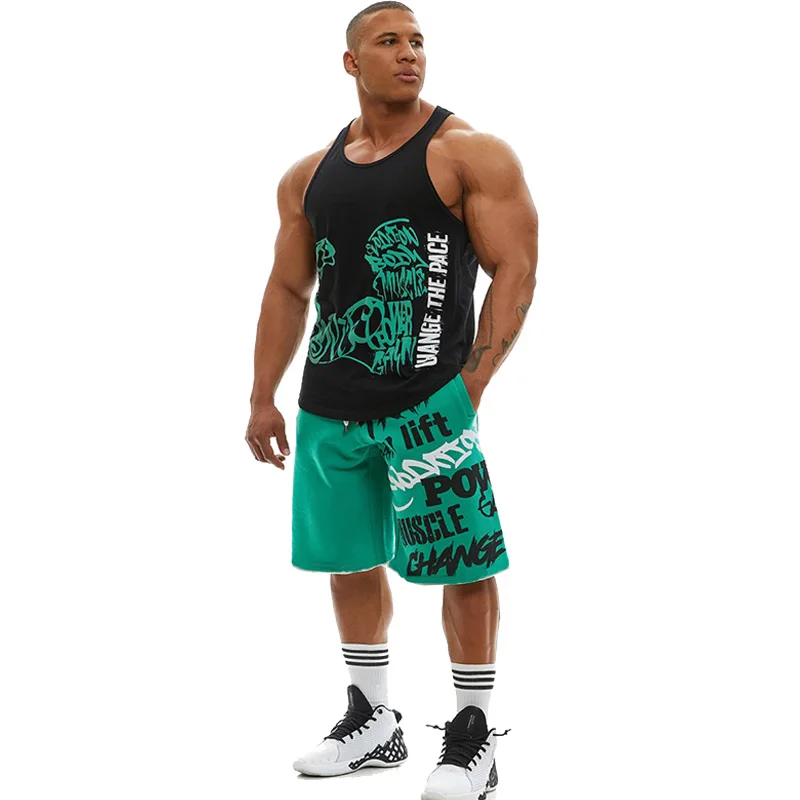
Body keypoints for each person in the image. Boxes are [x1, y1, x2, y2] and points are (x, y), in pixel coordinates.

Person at [245, 2, 538, 797]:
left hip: (427, 406)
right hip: (328, 407)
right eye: (389, 41)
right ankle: (374, 720)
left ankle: (473, 735)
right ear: (352, 62)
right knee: (349, 561)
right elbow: (288, 288)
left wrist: (469, 386)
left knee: (461, 564)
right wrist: (263, 397)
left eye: (417, 41)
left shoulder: (467, 153)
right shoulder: (308, 175)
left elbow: (516, 268)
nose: (409, 53)